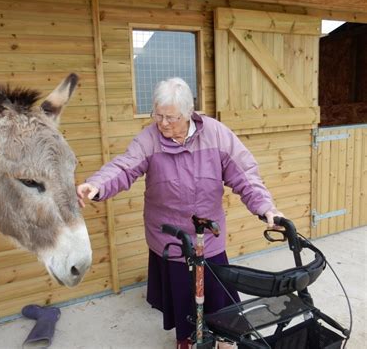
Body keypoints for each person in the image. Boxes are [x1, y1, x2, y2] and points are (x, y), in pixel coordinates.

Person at [76, 77, 283, 349]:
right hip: (170, 237)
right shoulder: (149, 139)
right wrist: (97, 185)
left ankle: (224, 338)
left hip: (208, 235)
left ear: (188, 113)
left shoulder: (217, 134)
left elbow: (245, 174)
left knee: (218, 291)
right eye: (158, 115)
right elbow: (124, 167)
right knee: (183, 296)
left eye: (170, 117)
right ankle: (185, 339)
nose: (162, 123)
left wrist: (266, 207)